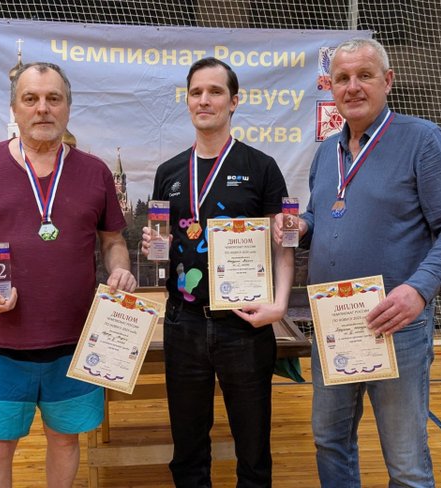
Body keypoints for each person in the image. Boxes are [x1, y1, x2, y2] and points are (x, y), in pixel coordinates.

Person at [273, 38, 441, 487]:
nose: (352, 87)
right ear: (330, 87)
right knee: (330, 441)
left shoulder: (424, 141)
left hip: (396, 325)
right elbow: (325, 212)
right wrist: (302, 225)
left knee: (405, 462)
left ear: (387, 81)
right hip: (334, 322)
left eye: (364, 76)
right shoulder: (328, 151)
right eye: (342, 78)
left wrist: (419, 290)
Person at [0, 62, 136, 488]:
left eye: (53, 98)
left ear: (67, 107)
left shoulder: (95, 171)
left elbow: (113, 240)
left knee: (65, 442)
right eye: (31, 99)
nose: (43, 108)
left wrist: (120, 268)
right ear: (14, 109)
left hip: (75, 344)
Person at [141, 57, 294, 487]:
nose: (204, 100)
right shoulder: (170, 172)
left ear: (234, 102)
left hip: (244, 325)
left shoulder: (261, 166)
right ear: (188, 101)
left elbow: (283, 243)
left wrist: (280, 305)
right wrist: (154, 248)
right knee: (188, 451)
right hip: (184, 323)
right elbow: (163, 248)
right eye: (196, 92)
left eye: (215, 91)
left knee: (253, 451)